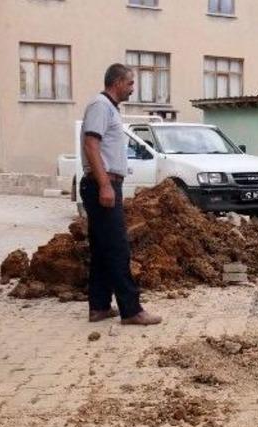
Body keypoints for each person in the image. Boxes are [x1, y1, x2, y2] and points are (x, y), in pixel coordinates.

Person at [79, 63, 161, 326]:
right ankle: (131, 310)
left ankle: (99, 307)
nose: (132, 88)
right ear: (116, 82)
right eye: (130, 83)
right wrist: (104, 184)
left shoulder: (109, 108)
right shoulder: (100, 106)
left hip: (104, 182)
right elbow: (91, 145)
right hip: (101, 183)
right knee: (117, 248)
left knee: (103, 248)